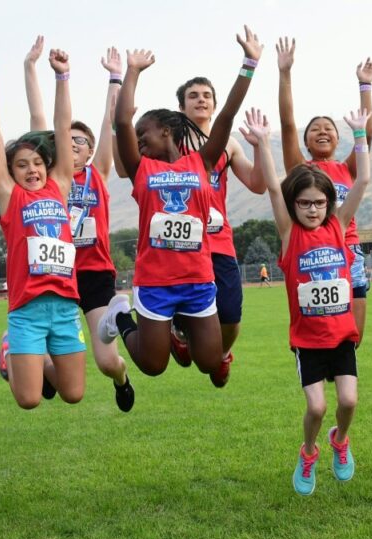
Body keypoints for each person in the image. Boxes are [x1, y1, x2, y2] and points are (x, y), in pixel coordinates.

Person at [96, 27, 262, 387]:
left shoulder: (201, 162)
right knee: (153, 366)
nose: (138, 143)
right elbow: (121, 121)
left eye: (145, 137)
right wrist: (133, 72)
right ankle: (121, 315)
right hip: (155, 281)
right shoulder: (143, 169)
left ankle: (178, 331)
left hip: (198, 280)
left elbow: (227, 116)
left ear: (167, 132)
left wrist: (249, 64)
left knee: (208, 361)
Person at [0, 37, 133, 412]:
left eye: (81, 141)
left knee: (108, 363)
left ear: (90, 151)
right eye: (67, 139)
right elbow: (41, 118)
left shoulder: (97, 174)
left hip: (94, 273)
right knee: (46, 382)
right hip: (55, 280)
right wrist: (31, 68)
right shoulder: (47, 181)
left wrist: (116, 79)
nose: (72, 143)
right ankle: (25, 356)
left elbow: (110, 123)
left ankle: (122, 378)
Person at [242, 106, 370, 495]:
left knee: (348, 401)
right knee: (315, 407)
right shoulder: (289, 234)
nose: (312, 209)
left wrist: (360, 134)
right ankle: (309, 450)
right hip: (308, 341)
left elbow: (362, 179)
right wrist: (264, 142)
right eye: (304, 203)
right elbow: (272, 188)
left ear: (329, 204)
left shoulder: (338, 225)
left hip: (341, 336)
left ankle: (340, 440)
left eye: (318, 203)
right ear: (294, 205)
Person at [0, 46, 87, 410]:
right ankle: (9, 351)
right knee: (29, 400)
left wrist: (62, 77)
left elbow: (63, 127)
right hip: (28, 310)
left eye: (38, 162)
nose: (32, 170)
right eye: (22, 165)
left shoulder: (60, 186)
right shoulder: (11, 198)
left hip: (66, 307)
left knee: (74, 394)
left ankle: (39, 361)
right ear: (12, 172)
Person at [153, 70, 269, 380]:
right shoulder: (169, 143)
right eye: (193, 95)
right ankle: (180, 335)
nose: (201, 99)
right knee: (181, 309)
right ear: (181, 107)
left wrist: (259, 146)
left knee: (231, 317)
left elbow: (258, 184)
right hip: (179, 244)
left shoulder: (227, 145)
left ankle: (221, 354)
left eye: (206, 95)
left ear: (215, 106)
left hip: (218, 241)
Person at [276, 36, 372, 345]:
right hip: (310, 252)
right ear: (307, 142)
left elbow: (368, 132)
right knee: (316, 336)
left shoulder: (348, 169)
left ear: (338, 139)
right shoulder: (300, 168)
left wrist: (365, 86)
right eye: (315, 129)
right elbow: (287, 123)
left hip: (348, 250)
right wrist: (285, 73)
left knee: (352, 338)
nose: (322, 131)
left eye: (329, 128)